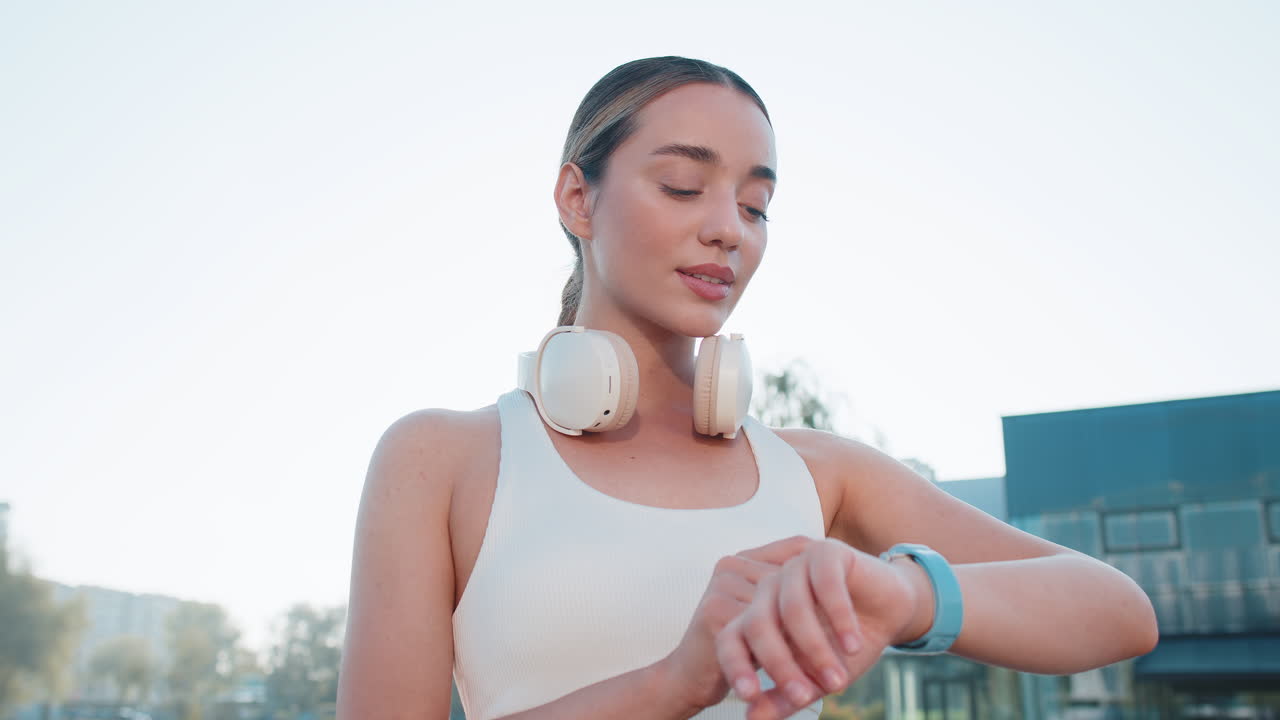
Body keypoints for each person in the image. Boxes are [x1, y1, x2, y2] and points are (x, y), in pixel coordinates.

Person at [335, 56, 1159, 720]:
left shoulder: (818, 472)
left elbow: (1119, 611)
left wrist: (904, 594)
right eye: (685, 187)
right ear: (576, 197)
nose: (729, 227)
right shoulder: (441, 458)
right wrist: (671, 685)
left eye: (756, 204)